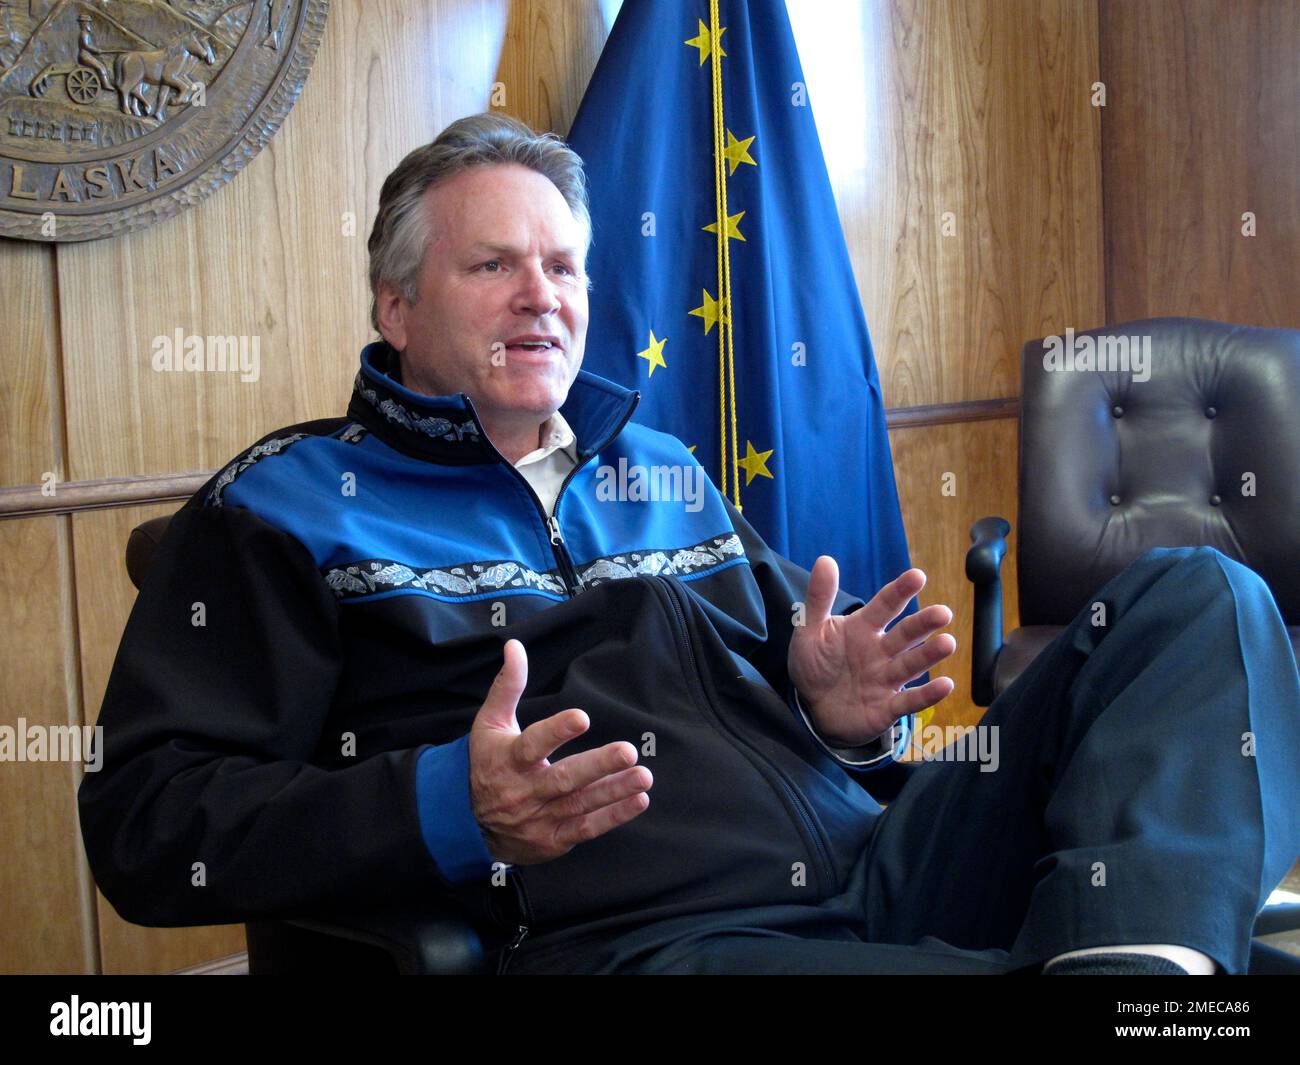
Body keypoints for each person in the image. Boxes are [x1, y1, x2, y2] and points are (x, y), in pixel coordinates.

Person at [78, 113, 1300, 976]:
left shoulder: (660, 469)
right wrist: (452, 804)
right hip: (652, 941)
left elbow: (814, 703)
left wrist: (836, 711)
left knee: (1200, 595)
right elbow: (146, 831)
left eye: (562, 266)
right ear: (395, 306)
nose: (540, 295)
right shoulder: (282, 509)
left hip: (878, 861)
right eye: (492, 265)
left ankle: (1139, 959)